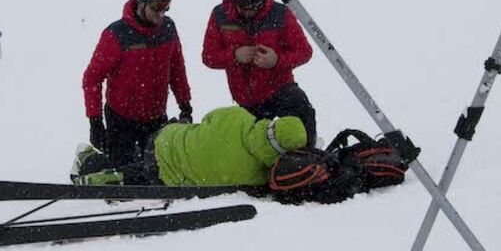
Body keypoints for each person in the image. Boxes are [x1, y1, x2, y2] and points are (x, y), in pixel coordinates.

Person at [82, 0, 193, 161]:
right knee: (125, 177)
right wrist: (95, 121)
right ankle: (87, 164)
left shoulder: (168, 29)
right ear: (141, 2)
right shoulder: (117, 34)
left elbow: (177, 70)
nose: (161, 14)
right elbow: (92, 78)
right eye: (156, 7)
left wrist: (185, 106)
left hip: (156, 119)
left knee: (157, 174)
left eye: (166, 6)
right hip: (121, 121)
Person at [202, 0, 318, 147]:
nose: (249, 11)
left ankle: (309, 157)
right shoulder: (220, 16)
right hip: (245, 99)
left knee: (301, 108)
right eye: (242, 7)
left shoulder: (281, 14)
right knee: (249, 148)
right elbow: (209, 57)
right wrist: (234, 55)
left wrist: (277, 60)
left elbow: (304, 52)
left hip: (279, 89)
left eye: (254, 6)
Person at [75, 106, 319, 189]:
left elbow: (208, 119)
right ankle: (92, 171)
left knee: (137, 159)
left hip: (165, 139)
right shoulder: (257, 176)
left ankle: (88, 159)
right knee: (133, 175)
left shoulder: (239, 115)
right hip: (170, 175)